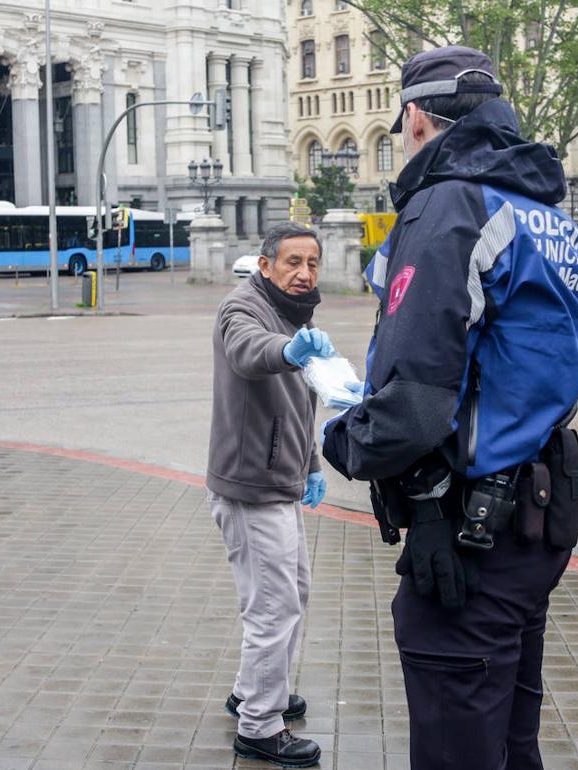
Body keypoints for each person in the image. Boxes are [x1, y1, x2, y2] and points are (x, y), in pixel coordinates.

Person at [321, 46, 578, 769]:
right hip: (533, 518)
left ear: (415, 118)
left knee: (458, 745)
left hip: (466, 534)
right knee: (508, 741)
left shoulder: (450, 202)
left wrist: (343, 439)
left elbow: (413, 400)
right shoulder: (544, 212)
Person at [207, 221, 334, 769]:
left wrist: (310, 463)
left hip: (278, 480)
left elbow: (297, 404)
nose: (304, 274)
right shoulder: (244, 308)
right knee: (273, 606)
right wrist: (290, 349)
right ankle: (259, 726)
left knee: (292, 593)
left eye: (312, 263)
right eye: (292, 263)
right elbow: (248, 352)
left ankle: (252, 694)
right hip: (252, 489)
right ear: (264, 266)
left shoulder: (292, 312)